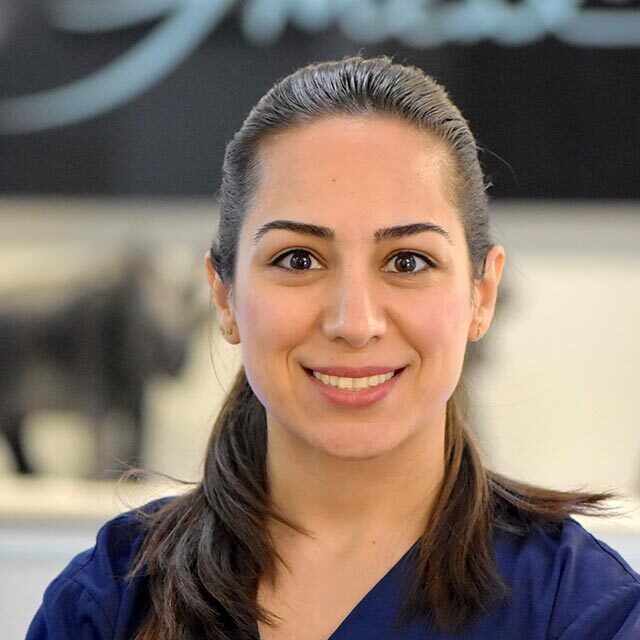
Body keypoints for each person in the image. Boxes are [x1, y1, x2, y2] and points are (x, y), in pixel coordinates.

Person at [27, 56, 640, 640]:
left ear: (482, 294)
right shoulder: (113, 597)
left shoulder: (580, 609)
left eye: (407, 261)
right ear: (224, 295)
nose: (355, 322)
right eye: (298, 259)